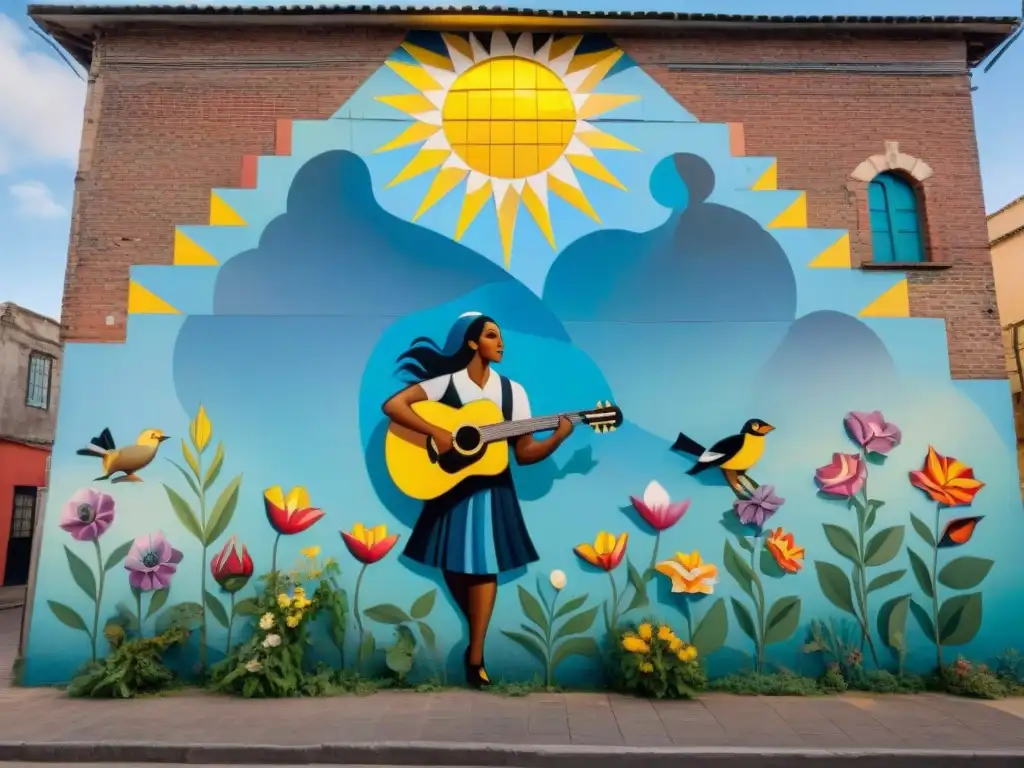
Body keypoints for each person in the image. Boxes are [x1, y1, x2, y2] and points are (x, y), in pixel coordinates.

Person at [382, 312, 573, 688]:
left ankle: (476, 655)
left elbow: (524, 453)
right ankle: (478, 629)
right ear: (472, 342)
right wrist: (437, 431)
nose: (500, 343)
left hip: (491, 484)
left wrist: (558, 437)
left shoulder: (512, 393)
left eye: (501, 337)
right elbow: (394, 406)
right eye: (491, 335)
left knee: (485, 566)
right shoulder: (445, 384)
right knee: (451, 563)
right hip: (448, 482)